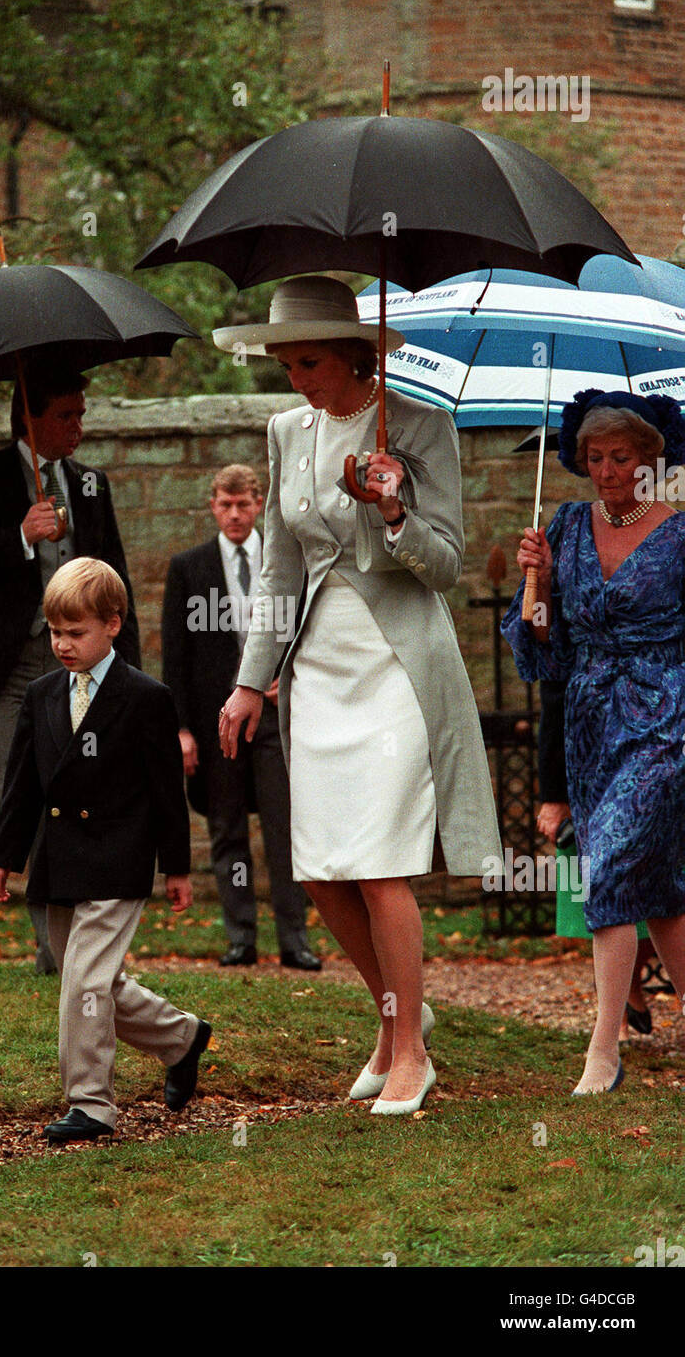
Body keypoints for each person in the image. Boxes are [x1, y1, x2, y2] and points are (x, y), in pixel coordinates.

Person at [214, 276, 501, 1115]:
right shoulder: (284, 431)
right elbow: (278, 565)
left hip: (398, 671)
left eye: (307, 361)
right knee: (322, 869)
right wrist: (248, 682)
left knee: (380, 865)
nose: (295, 377)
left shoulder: (421, 426)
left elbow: (447, 564)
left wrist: (394, 508)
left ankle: (411, 1048)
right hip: (319, 673)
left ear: (354, 354)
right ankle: (394, 1010)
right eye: (284, 363)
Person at [0, 558, 210, 1143]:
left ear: (113, 624)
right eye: (56, 631)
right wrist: (2, 859)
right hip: (60, 862)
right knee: (92, 982)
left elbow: (166, 793)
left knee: (85, 983)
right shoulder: (40, 695)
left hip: (119, 859)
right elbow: (22, 788)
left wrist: (176, 868)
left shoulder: (145, 697)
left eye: (75, 632)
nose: (63, 644)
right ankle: (181, 1038)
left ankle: (91, 1106)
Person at [502, 388, 685, 1094]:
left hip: (666, 719)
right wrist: (537, 581)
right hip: (590, 723)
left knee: (604, 865)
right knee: (664, 894)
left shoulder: (678, 534)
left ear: (651, 461)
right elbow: (545, 643)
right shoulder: (567, 526)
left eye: (622, 458)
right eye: (596, 457)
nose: (607, 470)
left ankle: (601, 1051)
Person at [0, 366, 141, 972]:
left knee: (61, 793)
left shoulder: (92, 485)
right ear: (31, 418)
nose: (79, 426)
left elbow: (117, 583)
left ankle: (53, 944)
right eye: (66, 415)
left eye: (82, 413)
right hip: (8, 666)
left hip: (79, 666)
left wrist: (127, 672)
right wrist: (20, 535)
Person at [161, 464, 321, 970]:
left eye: (244, 504)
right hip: (216, 724)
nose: (234, 514)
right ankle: (241, 937)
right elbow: (174, 655)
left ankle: (295, 939)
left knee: (284, 827)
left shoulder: (283, 560)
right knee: (227, 828)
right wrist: (182, 729)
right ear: (213, 506)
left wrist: (286, 676)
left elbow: (306, 628)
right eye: (225, 505)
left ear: (258, 506)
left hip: (274, 716)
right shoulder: (188, 567)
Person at [538, 680, 654, 1036]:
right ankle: (614, 1014)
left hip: (663, 739)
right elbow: (556, 694)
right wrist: (555, 793)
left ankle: (629, 987)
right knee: (604, 889)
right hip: (594, 754)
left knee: (661, 890)